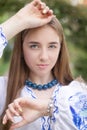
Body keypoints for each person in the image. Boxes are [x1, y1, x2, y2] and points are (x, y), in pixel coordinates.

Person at [0, 0, 87, 130]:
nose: (44, 57)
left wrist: (49, 107)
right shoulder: (3, 90)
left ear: (60, 49)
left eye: (52, 46)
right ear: (21, 49)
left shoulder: (77, 94)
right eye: (34, 46)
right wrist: (18, 21)